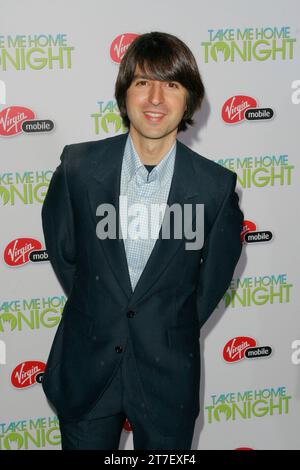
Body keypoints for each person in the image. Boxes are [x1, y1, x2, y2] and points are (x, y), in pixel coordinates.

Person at [41, 31, 244, 450]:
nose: (155, 98)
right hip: (86, 366)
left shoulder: (215, 188)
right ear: (124, 94)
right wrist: (101, 307)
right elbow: (65, 255)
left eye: (171, 84)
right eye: (142, 82)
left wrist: (165, 323)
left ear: (189, 100)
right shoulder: (78, 168)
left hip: (167, 375)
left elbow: (210, 285)